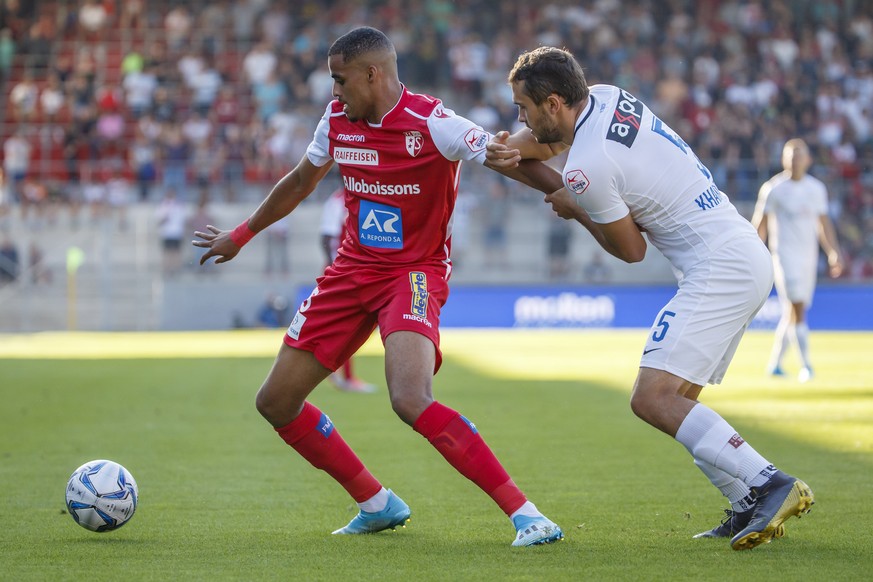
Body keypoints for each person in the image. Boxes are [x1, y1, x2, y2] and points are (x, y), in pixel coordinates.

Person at [193, 27, 564, 546]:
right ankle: (376, 503)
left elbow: (510, 161)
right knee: (275, 401)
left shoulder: (434, 122)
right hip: (349, 272)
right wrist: (241, 234)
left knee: (409, 398)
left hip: (412, 273)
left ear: (373, 73)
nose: (334, 91)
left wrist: (572, 197)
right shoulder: (336, 121)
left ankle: (527, 515)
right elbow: (301, 180)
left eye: (339, 80)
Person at [484, 46, 814, 551]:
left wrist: (577, 211)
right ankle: (747, 498)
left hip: (717, 267)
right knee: (679, 403)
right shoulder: (607, 96)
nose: (518, 118)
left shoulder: (588, 168)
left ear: (553, 103)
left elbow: (631, 250)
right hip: (739, 251)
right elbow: (549, 144)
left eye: (522, 107)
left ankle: (771, 482)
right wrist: (517, 149)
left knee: (651, 398)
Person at [751, 139, 843, 383]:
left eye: (799, 155)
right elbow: (759, 225)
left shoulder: (816, 189)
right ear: (783, 159)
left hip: (808, 258)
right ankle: (806, 366)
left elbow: (823, 224)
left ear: (808, 160)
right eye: (790, 155)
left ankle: (775, 365)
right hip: (783, 256)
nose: (795, 160)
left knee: (792, 311)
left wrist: (833, 252)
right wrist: (751, 255)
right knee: (797, 307)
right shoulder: (773, 188)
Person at [319, 186, 377, 393]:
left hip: (366, 268)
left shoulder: (369, 193)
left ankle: (333, 368)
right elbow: (326, 236)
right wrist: (333, 268)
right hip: (344, 269)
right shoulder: (336, 201)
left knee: (363, 324)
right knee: (352, 324)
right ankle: (345, 376)